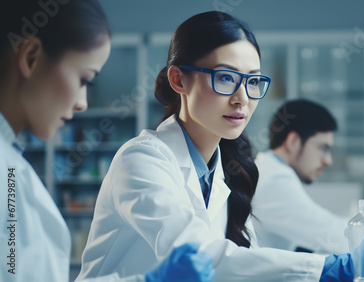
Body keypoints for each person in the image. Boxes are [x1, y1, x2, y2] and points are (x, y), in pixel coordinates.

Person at [76, 11, 364, 282]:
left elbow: (242, 265)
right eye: (226, 77)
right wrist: (342, 267)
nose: (242, 99)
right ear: (179, 79)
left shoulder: (224, 173)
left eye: (253, 81)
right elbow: (202, 256)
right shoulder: (142, 161)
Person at [0, 1, 214, 281]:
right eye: (83, 80)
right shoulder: (9, 172)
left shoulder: (12, 166)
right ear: (30, 57)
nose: (82, 104)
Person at [252, 99, 350, 254]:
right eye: (323, 148)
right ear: (293, 141)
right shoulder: (274, 180)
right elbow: (338, 238)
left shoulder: (268, 170)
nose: (328, 160)